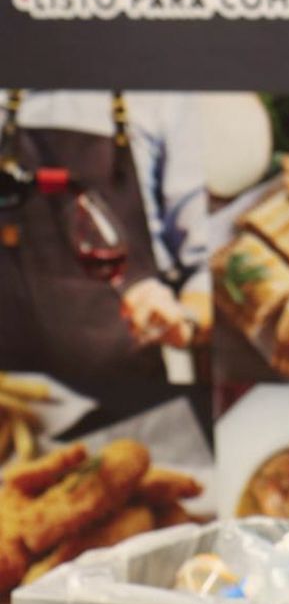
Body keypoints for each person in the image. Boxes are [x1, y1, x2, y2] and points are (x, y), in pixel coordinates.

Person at [0, 89, 210, 436]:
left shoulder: (162, 99)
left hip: (131, 404)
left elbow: (204, 272)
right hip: (12, 405)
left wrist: (184, 320)